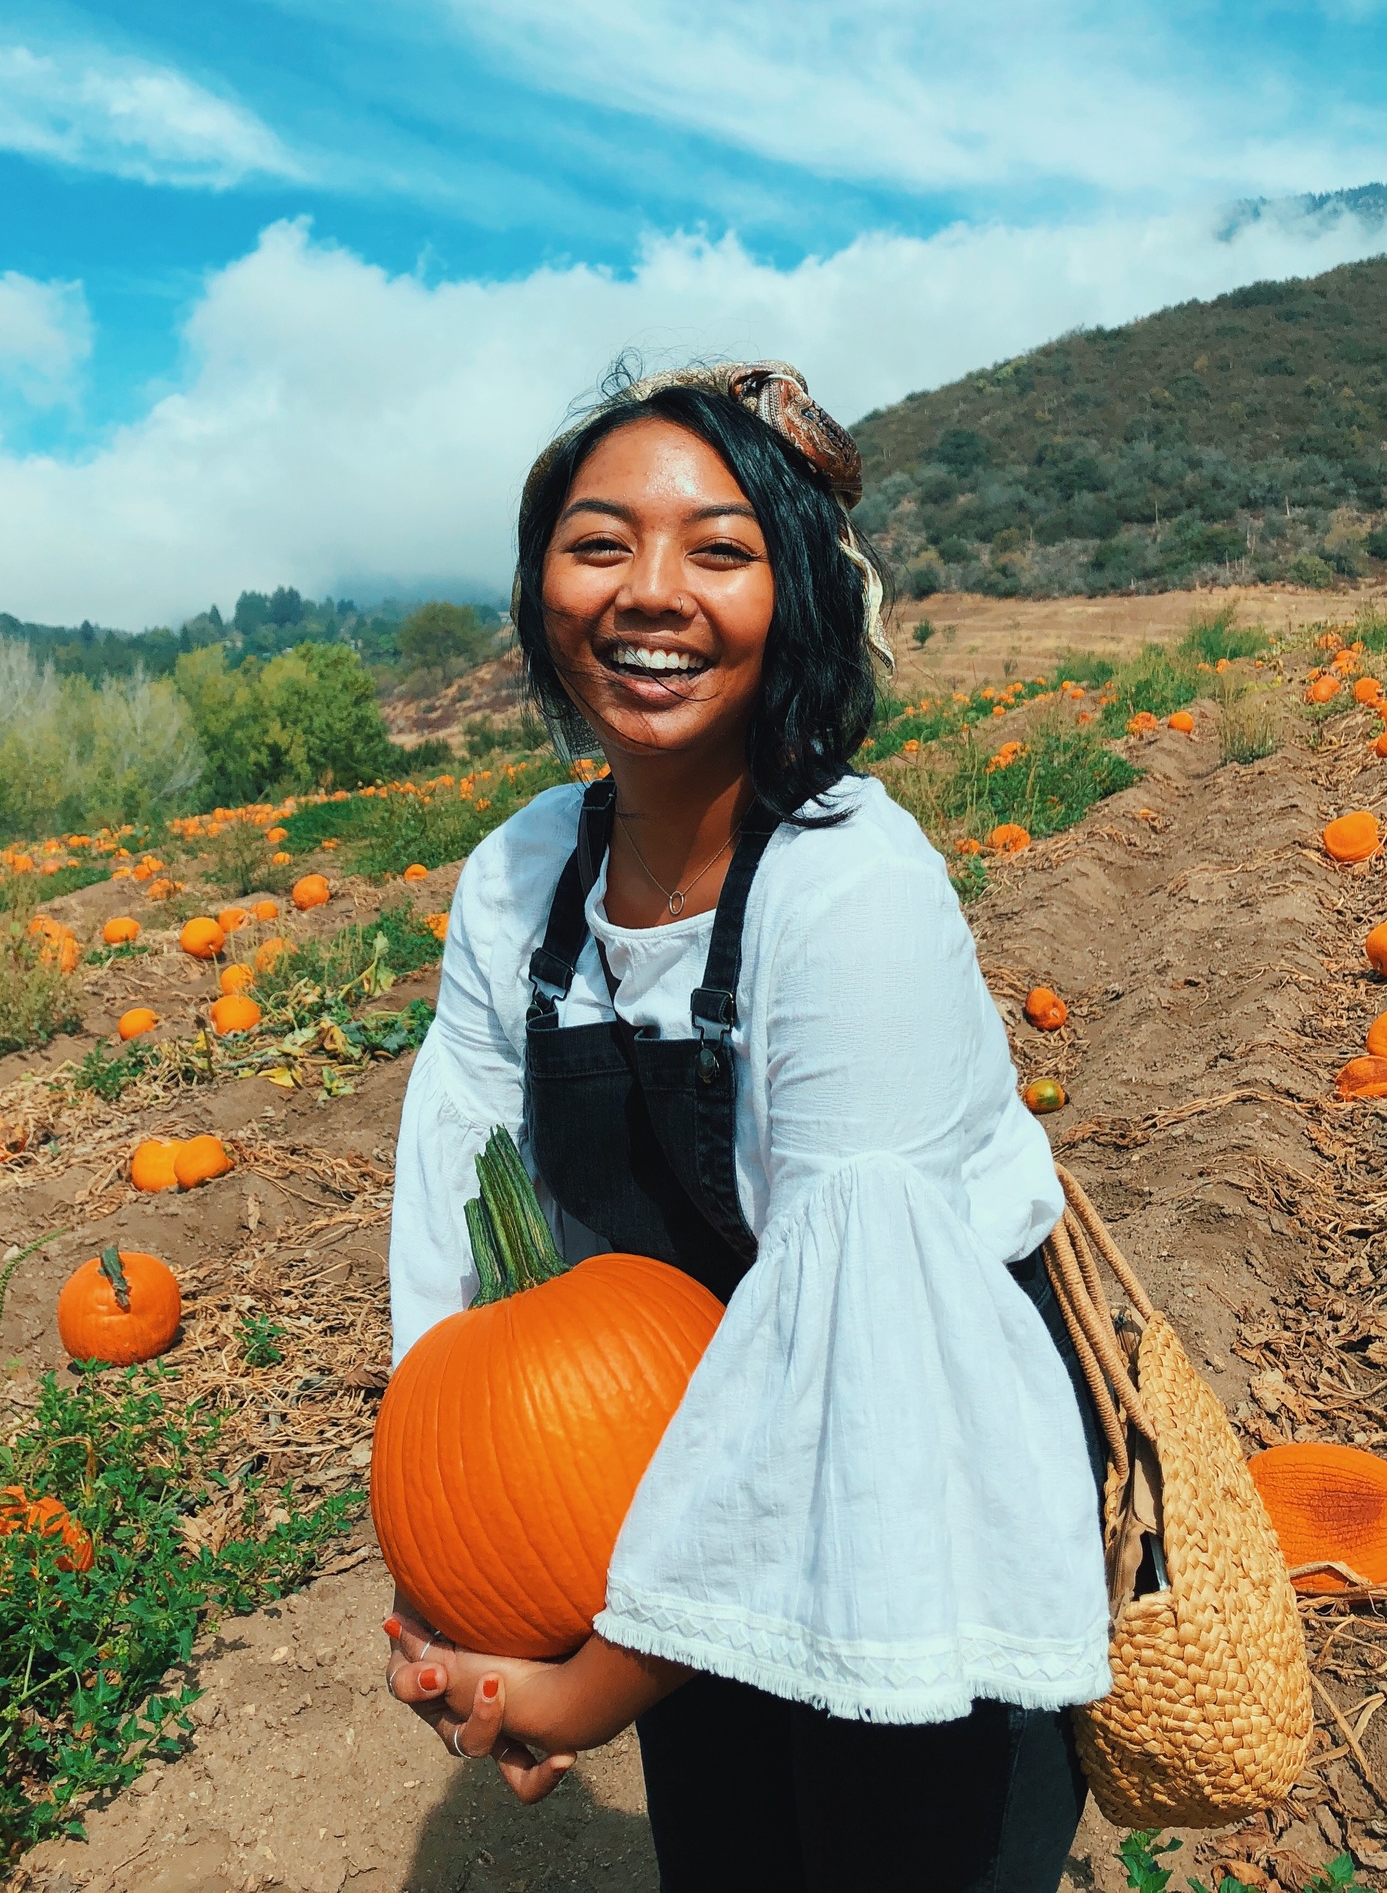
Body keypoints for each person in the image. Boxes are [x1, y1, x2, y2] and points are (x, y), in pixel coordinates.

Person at [381, 362, 1109, 1892]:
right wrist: (478, 1603)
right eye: (598, 543)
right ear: (537, 585)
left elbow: (851, 1363)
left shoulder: (849, 886)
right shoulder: (518, 880)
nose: (651, 592)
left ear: (795, 600)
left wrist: (577, 1689)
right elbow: (457, 1230)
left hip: (897, 1502)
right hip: (670, 1506)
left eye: (717, 549)